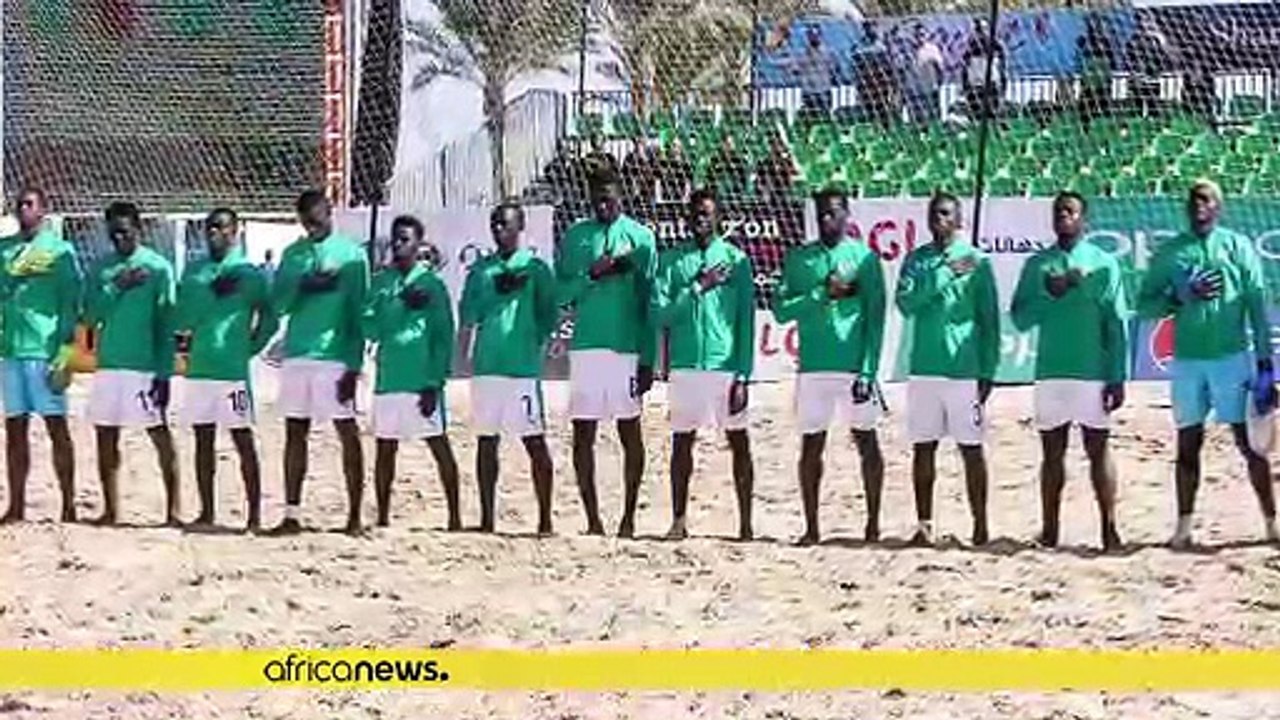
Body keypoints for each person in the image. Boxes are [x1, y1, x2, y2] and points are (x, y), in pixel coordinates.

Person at [1136, 181, 1278, 548]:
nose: (1198, 204)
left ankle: (1271, 522)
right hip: (1187, 362)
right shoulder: (1171, 253)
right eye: (1193, 199)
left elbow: (1257, 306)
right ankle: (1183, 528)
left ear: (1219, 206)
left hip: (1231, 358)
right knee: (1187, 444)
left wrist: (1266, 364)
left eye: (1206, 199)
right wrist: (1177, 295)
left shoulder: (1238, 247)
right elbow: (1146, 305)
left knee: (1250, 446)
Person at [1010, 192, 1126, 551]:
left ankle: (1109, 529)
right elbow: (1019, 318)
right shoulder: (1038, 265)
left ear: (1084, 220)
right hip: (1051, 372)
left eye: (1071, 211)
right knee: (1052, 454)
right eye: (1058, 211)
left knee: (1098, 449)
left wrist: (1117, 375)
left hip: (1091, 372)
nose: (1064, 216)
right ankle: (1050, 531)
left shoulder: (1104, 263)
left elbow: (1116, 322)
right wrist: (1050, 293)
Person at [774, 187, 886, 545]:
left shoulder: (865, 259)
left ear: (847, 215)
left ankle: (872, 524)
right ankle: (811, 528)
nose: (827, 218)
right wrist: (822, 293)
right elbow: (780, 311)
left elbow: (876, 319)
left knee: (867, 442)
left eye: (834, 212)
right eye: (822, 212)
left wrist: (868, 371)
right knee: (811, 446)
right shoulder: (799, 259)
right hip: (813, 367)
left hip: (853, 368)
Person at [556, 170, 657, 538]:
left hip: (626, 348)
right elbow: (560, 295)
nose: (603, 205)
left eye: (610, 199)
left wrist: (648, 358)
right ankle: (593, 520)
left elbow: (651, 302)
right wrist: (591, 275)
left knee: (629, 432)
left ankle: (628, 517)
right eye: (597, 199)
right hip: (586, 348)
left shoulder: (642, 238)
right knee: (583, 433)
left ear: (623, 195)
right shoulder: (576, 237)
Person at [895, 192, 999, 546]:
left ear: (958, 220)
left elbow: (989, 319)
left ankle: (981, 525)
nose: (937, 220)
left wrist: (989, 369)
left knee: (971, 448)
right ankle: (924, 527)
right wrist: (942, 276)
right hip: (925, 367)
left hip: (963, 369)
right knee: (924, 447)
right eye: (933, 214)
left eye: (944, 214)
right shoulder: (917, 260)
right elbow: (906, 303)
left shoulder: (977, 261)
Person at [652, 189, 756, 541]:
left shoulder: (736, 260)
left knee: (739, 442)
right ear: (687, 217)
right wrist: (697, 287)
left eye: (707, 213)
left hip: (725, 366)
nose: (701, 219)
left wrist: (743, 375)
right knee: (682, 443)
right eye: (695, 213)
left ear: (718, 218)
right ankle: (679, 520)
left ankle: (745, 525)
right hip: (685, 365)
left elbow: (746, 321)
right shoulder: (671, 261)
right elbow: (659, 313)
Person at [271, 189, 369, 535]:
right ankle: (292, 514)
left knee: (346, 431)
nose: (311, 228)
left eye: (316, 220)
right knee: (295, 432)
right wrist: (304, 286)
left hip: (335, 355)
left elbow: (358, 312)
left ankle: (355, 515)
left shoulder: (351, 255)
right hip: (298, 352)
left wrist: (354, 366)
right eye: (305, 223)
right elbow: (279, 305)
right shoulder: (293, 255)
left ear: (330, 213)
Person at [175, 208, 278, 531]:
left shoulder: (248, 274)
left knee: (242, 440)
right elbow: (182, 319)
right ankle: (207, 512)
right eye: (210, 229)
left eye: (221, 229)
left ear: (235, 232)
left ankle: (254, 516)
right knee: (202, 441)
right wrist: (210, 292)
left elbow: (269, 319)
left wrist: (249, 349)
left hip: (233, 375)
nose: (214, 235)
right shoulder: (194, 272)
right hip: (200, 371)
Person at [460, 203, 557, 535]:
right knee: (487, 443)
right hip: (488, 366)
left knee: (534, 442)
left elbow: (549, 315)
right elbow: (469, 314)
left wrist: (535, 345)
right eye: (494, 225)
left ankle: (545, 519)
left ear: (520, 227)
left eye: (505, 224)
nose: (499, 230)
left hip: (522, 369)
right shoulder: (481, 272)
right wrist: (495, 293)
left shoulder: (536, 269)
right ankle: (487, 518)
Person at [84, 201, 181, 526]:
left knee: (159, 434)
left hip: (144, 367)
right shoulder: (101, 268)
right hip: (109, 364)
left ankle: (174, 510)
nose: (118, 238)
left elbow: (166, 325)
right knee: (105, 436)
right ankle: (111, 510)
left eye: (124, 231)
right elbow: (90, 315)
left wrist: (164, 373)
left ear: (139, 229)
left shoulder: (158, 268)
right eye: (112, 233)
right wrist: (117, 286)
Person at [363, 215, 461, 530]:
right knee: (385, 449)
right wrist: (395, 302)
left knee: (438, 445)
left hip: (421, 380)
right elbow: (370, 327)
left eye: (405, 239)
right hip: (389, 377)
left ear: (419, 243)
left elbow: (443, 335)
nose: (399, 245)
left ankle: (455, 515)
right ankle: (382, 515)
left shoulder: (431, 285)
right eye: (395, 239)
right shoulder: (382, 282)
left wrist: (435, 381)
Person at [0, 187, 79, 523]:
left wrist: (65, 351)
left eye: (29, 204)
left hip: (44, 351)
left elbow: (71, 302)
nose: (23, 209)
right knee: (14, 428)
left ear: (44, 210)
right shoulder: (4, 251)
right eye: (19, 204)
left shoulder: (60, 252)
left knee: (55, 427)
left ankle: (69, 504)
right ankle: (16, 505)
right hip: (10, 351)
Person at [962, 18, 1007, 120]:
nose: (982, 33)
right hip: (975, 84)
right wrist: (965, 84)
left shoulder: (996, 45)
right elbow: (965, 67)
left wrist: (1002, 81)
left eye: (984, 29)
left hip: (991, 83)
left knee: (993, 113)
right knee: (976, 114)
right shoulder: (970, 47)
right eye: (979, 30)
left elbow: (1002, 64)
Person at [792, 25, 837, 119]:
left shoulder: (828, 52)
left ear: (820, 35)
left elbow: (834, 69)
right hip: (808, 91)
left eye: (815, 35)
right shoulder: (802, 52)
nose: (813, 37)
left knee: (824, 116)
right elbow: (795, 69)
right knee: (809, 116)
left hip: (824, 89)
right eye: (810, 35)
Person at [908, 25, 945, 125]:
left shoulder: (932, 49)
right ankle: (918, 131)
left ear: (927, 35)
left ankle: (930, 131)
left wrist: (940, 81)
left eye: (922, 34)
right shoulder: (909, 49)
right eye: (917, 35)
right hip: (914, 85)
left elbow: (940, 67)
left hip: (929, 84)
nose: (920, 37)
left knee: (930, 111)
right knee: (915, 111)